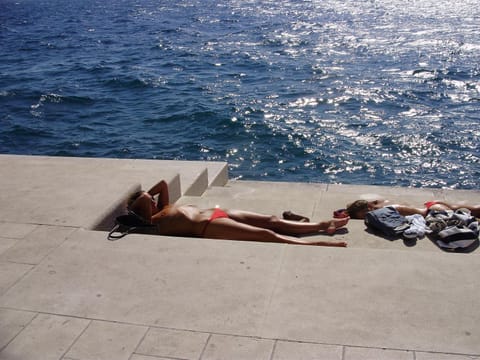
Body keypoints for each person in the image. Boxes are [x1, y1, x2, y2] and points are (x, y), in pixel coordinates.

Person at [127, 180, 349, 247]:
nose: (152, 201)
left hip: (217, 213)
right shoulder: (152, 222)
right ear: (141, 209)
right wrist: (141, 199)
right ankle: (314, 245)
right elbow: (147, 199)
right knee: (265, 235)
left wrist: (146, 195)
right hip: (209, 227)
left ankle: (322, 225)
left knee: (272, 220)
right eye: (147, 202)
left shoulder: (165, 208)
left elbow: (163, 185)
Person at [345, 198, 480, 220]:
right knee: (472, 209)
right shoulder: (379, 202)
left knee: (470, 218)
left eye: (364, 214)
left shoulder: (382, 211)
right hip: (431, 205)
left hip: (432, 212)